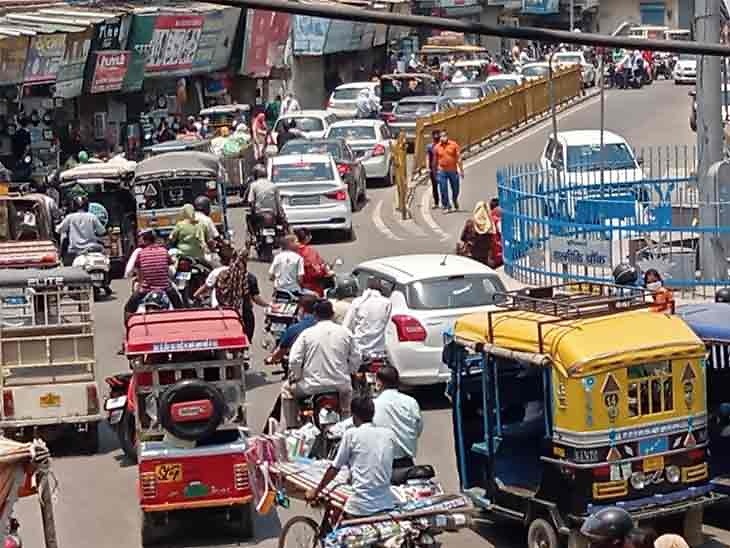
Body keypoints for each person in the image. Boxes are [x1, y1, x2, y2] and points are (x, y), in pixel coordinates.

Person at [305, 395, 395, 517]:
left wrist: (316, 491)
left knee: (336, 514)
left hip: (360, 506)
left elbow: (334, 468)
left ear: (354, 416)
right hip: (386, 502)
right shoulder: (388, 434)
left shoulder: (351, 434)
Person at [282, 300, 361, 428]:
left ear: (315, 315)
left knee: (286, 390)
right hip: (341, 386)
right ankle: (346, 424)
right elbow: (356, 357)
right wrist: (349, 371)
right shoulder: (345, 333)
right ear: (332, 314)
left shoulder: (306, 334)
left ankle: (292, 428)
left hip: (310, 386)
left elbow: (294, 360)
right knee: (346, 410)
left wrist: (297, 376)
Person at [202, 248, 269, 341]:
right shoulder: (250, 278)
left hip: (223, 311)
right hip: (243, 313)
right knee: (248, 329)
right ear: (245, 260)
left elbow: (209, 288)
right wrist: (268, 305)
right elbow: (256, 298)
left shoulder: (222, 274)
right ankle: (245, 346)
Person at [124, 229, 182, 319]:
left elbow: (140, 274)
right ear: (155, 239)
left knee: (128, 308)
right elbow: (169, 267)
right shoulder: (164, 251)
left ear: (145, 240)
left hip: (146, 289)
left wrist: (139, 285)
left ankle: (129, 329)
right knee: (180, 307)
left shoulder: (141, 253)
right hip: (165, 288)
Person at [373, 366, 422, 469]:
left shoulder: (373, 405)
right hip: (407, 462)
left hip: (381, 464)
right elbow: (418, 428)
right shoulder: (411, 402)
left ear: (379, 383)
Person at [343, 277, 392, 358]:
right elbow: (387, 327)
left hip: (359, 351)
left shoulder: (358, 302)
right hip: (379, 352)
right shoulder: (387, 303)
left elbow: (346, 327)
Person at [265, 293, 318, 365]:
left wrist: (271, 359)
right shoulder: (325, 324)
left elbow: (281, 351)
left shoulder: (295, 329)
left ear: (301, 309)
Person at [55, 195, 106, 266]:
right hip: (92, 248)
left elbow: (58, 230)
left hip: (74, 250)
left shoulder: (70, 217)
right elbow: (102, 231)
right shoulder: (92, 216)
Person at [247, 164, 287, 230]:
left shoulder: (253, 185)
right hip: (272, 215)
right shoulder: (273, 186)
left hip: (259, 215)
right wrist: (282, 216)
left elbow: (251, 201)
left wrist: (252, 210)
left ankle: (253, 236)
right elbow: (278, 203)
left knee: (249, 219)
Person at [294, 228, 331, 297]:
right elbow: (317, 270)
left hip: (290, 287)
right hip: (309, 287)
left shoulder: (289, 252)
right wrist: (326, 272)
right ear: (308, 237)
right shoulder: (310, 251)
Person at [433, 130, 464, 212]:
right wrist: (435, 173)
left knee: (456, 188)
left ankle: (454, 199)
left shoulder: (454, 145)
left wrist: (461, 170)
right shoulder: (437, 147)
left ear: (447, 136)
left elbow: (459, 158)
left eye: (444, 136)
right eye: (441, 136)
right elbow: (435, 161)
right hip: (442, 170)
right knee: (443, 189)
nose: (443, 138)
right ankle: (447, 206)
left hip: (453, 170)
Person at [457, 201, 493, 266]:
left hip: (470, 256)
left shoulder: (470, 223)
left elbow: (462, 238)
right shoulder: (490, 226)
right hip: (484, 258)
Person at [427, 130, 441, 209]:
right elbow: (428, 158)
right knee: (434, 187)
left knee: (443, 186)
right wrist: (427, 167)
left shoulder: (443, 146)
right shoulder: (430, 147)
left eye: (437, 136)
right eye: (434, 136)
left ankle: (445, 202)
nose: (436, 137)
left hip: (442, 168)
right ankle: (436, 202)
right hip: (433, 169)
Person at [489, 198, 503, 268]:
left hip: (492, 252)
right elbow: (502, 234)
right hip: (499, 252)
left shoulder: (489, 218)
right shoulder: (498, 221)